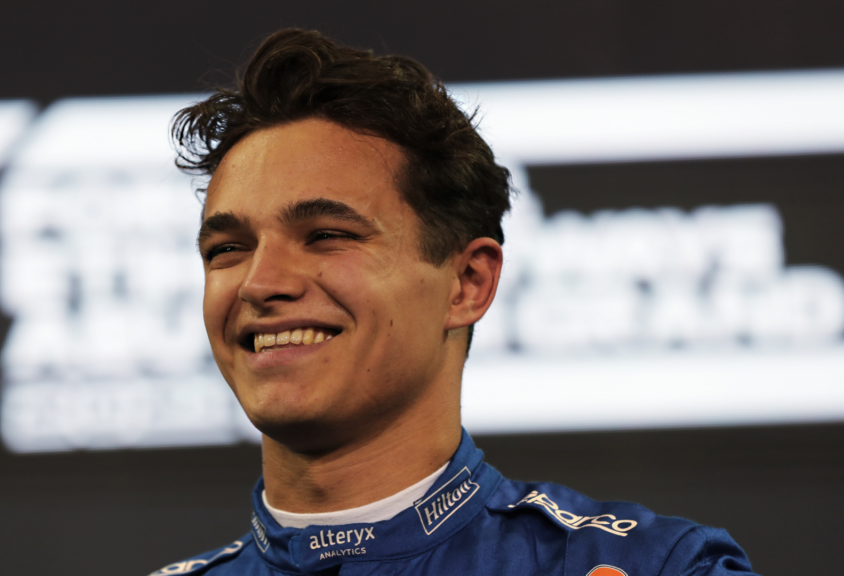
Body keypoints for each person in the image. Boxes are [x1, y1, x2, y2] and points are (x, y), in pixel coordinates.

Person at [151, 29, 757, 576]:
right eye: (227, 249)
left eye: (327, 235)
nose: (260, 283)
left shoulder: (655, 569)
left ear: (467, 283)